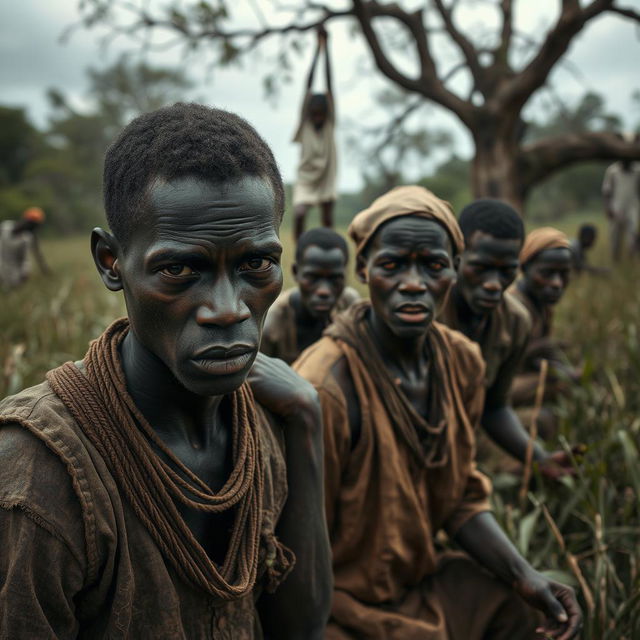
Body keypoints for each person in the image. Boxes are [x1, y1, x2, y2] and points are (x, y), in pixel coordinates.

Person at [0, 103, 331, 638]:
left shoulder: (263, 426)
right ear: (112, 262)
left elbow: (300, 628)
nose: (227, 310)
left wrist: (308, 425)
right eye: (178, 269)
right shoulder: (37, 475)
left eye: (256, 265)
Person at [294, 186, 581, 640]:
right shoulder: (325, 387)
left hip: (420, 582)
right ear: (364, 269)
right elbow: (298, 552)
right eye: (392, 265)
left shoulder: (462, 361)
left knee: (532, 611)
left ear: (453, 270)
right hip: (343, 606)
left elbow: (461, 496)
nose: (413, 283)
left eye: (432, 265)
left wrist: (524, 574)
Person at [439, 199, 573, 479]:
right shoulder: (429, 313)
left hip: (467, 433)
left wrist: (540, 458)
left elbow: (494, 407)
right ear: (455, 259)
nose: (493, 284)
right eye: (481, 268)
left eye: (506, 271)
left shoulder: (515, 321)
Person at [261, 227, 359, 364]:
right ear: (296, 272)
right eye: (313, 278)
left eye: (335, 279)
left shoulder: (350, 306)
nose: (323, 291)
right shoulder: (272, 325)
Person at [511, 227, 579, 416]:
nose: (557, 283)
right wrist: (539, 348)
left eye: (564, 274)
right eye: (547, 273)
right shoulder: (513, 308)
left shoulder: (542, 304)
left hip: (521, 379)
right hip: (497, 390)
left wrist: (563, 368)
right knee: (561, 388)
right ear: (524, 269)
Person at [292, 26, 337, 240]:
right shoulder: (305, 122)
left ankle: (330, 251)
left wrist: (326, 48)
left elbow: (330, 83)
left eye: (321, 114)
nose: (318, 117)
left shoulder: (330, 123)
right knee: (299, 213)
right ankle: (299, 250)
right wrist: (316, 51)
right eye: (315, 114)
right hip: (306, 175)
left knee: (327, 218)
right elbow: (307, 85)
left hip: (326, 175)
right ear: (309, 113)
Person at [602, 149, 640, 261]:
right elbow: (606, 191)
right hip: (616, 208)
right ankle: (616, 260)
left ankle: (631, 261)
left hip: (633, 207)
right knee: (615, 237)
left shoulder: (638, 170)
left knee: (632, 236)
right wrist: (607, 208)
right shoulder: (612, 171)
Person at [0, 206, 51, 289]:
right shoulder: (5, 227)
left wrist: (45, 270)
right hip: (2, 263)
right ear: (25, 219)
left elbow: (36, 255)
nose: (31, 227)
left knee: (13, 286)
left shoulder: (27, 238)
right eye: (31, 223)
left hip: (14, 270)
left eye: (34, 225)